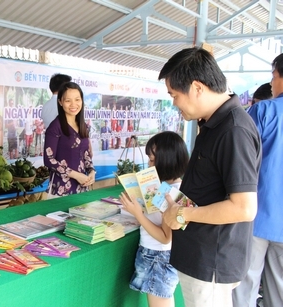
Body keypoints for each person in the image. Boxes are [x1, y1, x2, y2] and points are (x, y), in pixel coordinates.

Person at [158, 47, 261, 307]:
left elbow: (244, 207)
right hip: (199, 255)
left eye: (174, 95)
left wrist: (183, 214)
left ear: (196, 87)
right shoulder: (214, 123)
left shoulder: (233, 130)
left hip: (212, 259)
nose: (174, 103)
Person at [232, 55, 283, 307]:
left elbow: (239, 156)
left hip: (255, 215)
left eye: (273, 76)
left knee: (244, 285)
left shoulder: (263, 110)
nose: (271, 83)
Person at [120, 131, 189, 307]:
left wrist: (138, 213)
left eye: (152, 159)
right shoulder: (176, 186)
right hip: (160, 257)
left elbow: (165, 237)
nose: (149, 164)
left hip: (157, 257)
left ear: (167, 160)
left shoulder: (170, 194)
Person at [43, 82, 95, 198]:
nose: (73, 104)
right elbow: (49, 160)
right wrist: (76, 175)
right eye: (68, 100)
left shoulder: (83, 126)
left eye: (77, 99)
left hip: (82, 188)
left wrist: (91, 171)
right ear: (60, 102)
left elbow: (86, 154)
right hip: (60, 192)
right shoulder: (55, 127)